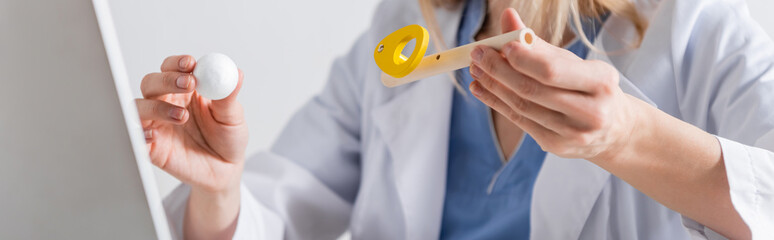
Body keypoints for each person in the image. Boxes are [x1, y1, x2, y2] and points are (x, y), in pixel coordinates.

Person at [135, 0, 774, 239]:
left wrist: (630, 137)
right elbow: (280, 212)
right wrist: (219, 190)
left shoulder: (701, 31)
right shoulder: (407, 34)